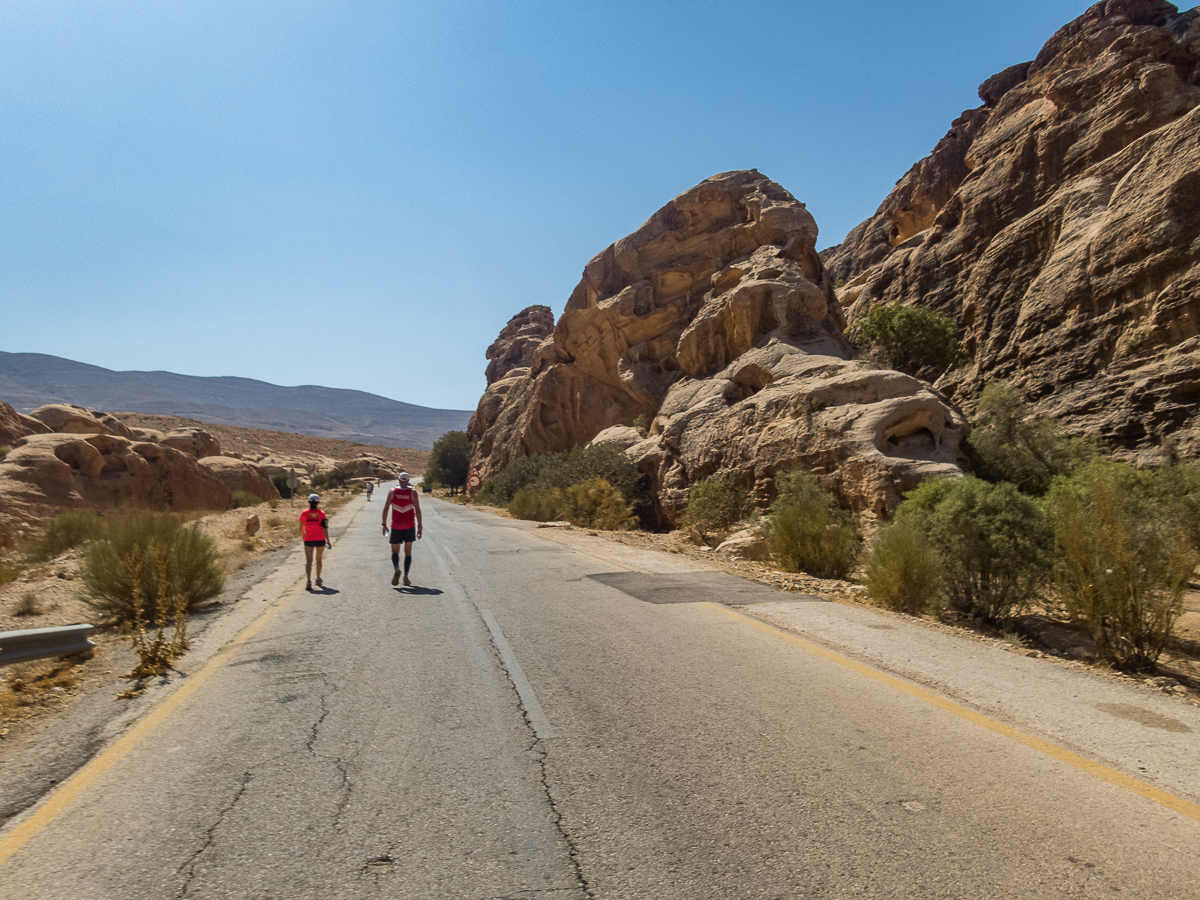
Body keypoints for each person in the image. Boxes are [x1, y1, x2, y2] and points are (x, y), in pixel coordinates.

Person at [382, 472, 422, 586]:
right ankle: (406, 576)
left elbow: (385, 510)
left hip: (396, 526)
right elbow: (418, 510)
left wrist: (384, 524)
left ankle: (396, 568)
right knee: (408, 553)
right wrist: (420, 527)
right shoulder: (413, 493)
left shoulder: (392, 492)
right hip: (410, 526)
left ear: (399, 480)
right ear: (408, 481)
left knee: (395, 551)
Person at [300, 493, 331, 590]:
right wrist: (328, 541)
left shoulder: (304, 513)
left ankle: (308, 580)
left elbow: (301, 527)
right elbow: (324, 527)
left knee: (309, 561)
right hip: (320, 539)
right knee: (319, 559)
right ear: (318, 503)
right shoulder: (321, 513)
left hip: (308, 539)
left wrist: (303, 536)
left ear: (309, 502)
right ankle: (318, 578)